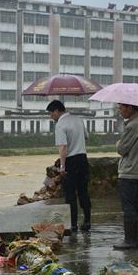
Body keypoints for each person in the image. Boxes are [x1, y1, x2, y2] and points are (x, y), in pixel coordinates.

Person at [47, 100, 91, 233]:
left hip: (71, 161)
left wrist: (62, 166)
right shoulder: (78, 119)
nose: (51, 116)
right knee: (83, 191)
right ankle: (87, 221)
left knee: (70, 194)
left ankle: (73, 225)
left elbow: (63, 147)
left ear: (56, 111)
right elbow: (86, 137)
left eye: (50, 113)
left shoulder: (60, 124)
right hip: (83, 159)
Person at [113, 103, 138, 250]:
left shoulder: (133, 126)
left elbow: (122, 149)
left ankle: (129, 240)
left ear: (130, 108)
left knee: (129, 208)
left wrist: (118, 143)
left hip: (129, 171)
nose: (120, 110)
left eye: (121, 107)